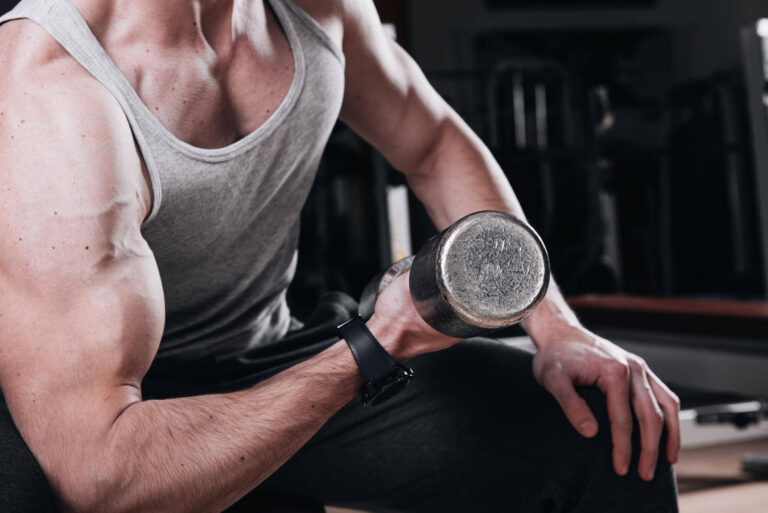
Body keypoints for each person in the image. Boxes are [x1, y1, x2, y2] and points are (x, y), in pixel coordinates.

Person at [0, 0, 680, 511]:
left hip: (259, 355)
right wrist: (376, 342)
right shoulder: (53, 86)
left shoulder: (314, 9)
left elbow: (433, 140)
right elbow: (102, 466)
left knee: (610, 428)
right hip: (82, 408)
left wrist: (555, 324)